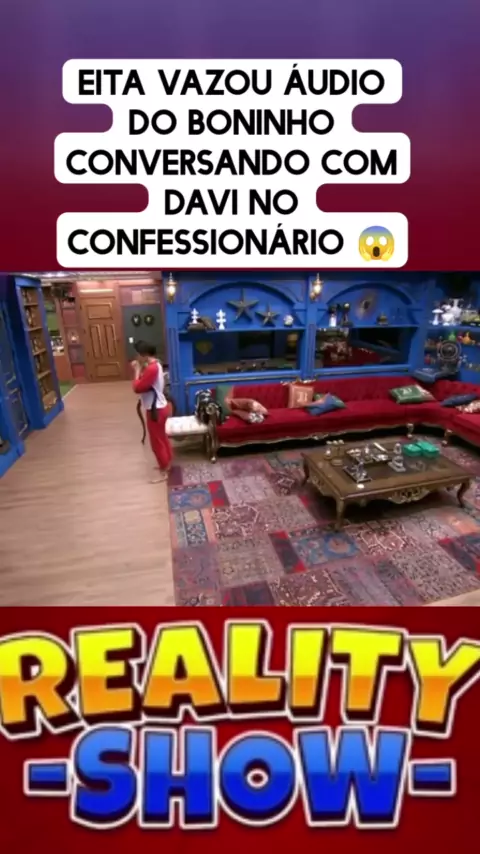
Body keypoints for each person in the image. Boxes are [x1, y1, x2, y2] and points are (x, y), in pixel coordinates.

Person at [131, 341, 172, 482]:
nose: (136, 357)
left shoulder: (152, 369)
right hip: (160, 407)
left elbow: (137, 388)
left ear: (144, 354)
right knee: (162, 438)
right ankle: (167, 464)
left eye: (138, 354)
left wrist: (137, 371)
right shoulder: (156, 364)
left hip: (155, 410)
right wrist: (141, 368)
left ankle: (164, 471)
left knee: (156, 442)